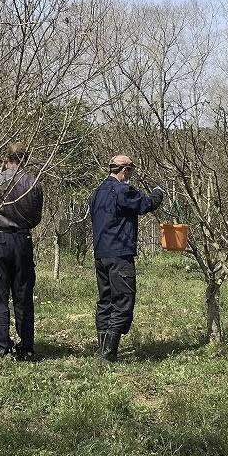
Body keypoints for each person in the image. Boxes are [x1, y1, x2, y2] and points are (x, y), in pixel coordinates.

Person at [89, 155, 165, 362]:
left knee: (105, 301)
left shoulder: (96, 193)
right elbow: (145, 204)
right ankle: (108, 354)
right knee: (123, 301)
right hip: (120, 254)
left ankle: (103, 349)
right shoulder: (122, 190)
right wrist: (158, 193)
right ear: (125, 171)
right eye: (130, 171)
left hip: (100, 254)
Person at [0, 144, 44, 361]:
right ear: (24, 159)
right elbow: (37, 217)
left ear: (5, 158)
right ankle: (26, 347)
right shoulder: (32, 182)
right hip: (22, 240)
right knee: (23, 295)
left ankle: (1, 348)